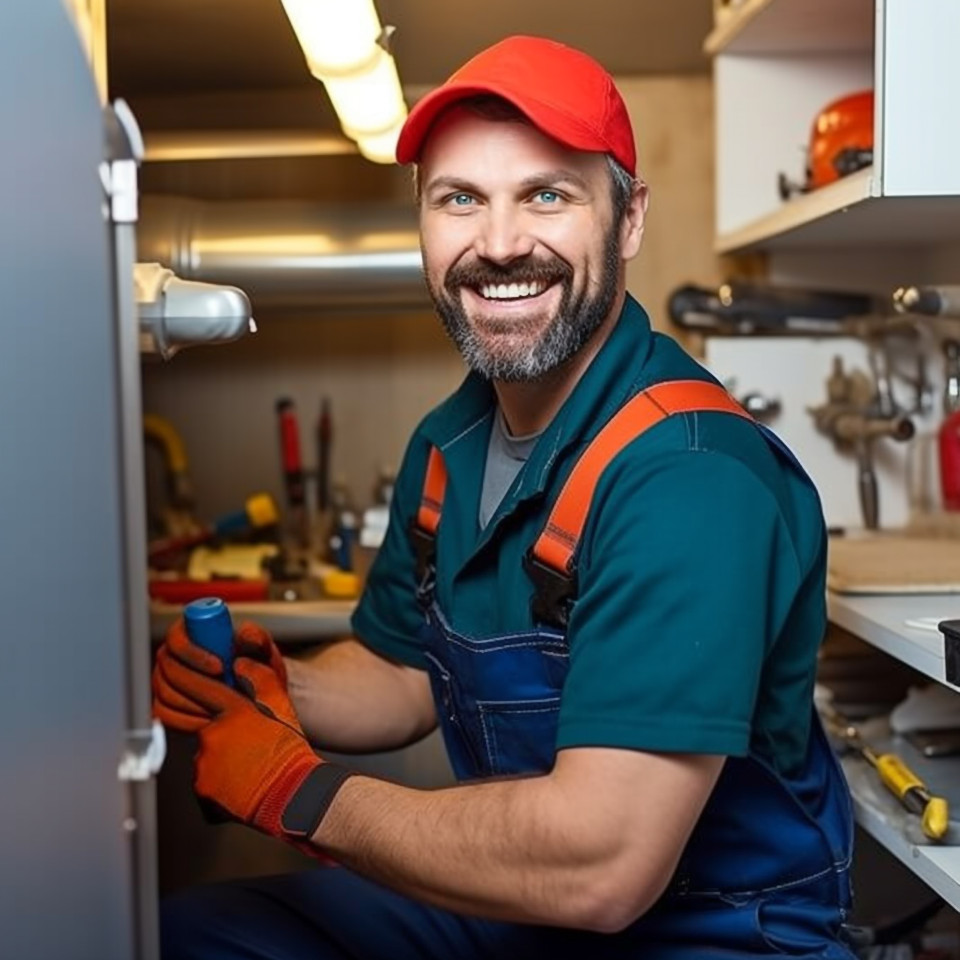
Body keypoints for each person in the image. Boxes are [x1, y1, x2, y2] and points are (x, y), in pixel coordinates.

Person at [154, 35, 855, 960]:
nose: (498, 245)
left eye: (548, 195)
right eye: (460, 200)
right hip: (523, 915)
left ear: (629, 218)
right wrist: (280, 688)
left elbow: (601, 867)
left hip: (710, 934)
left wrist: (299, 790)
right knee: (179, 937)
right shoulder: (448, 447)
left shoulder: (691, 479)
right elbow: (409, 672)